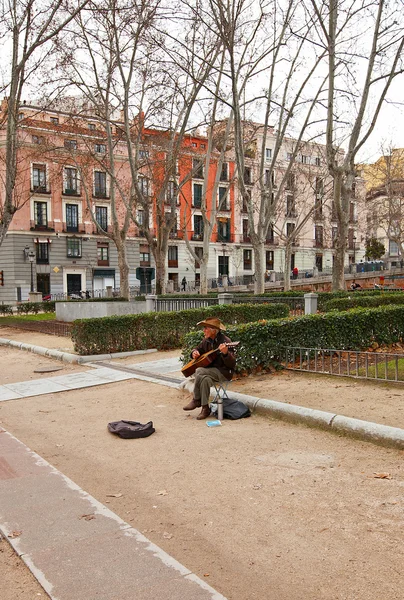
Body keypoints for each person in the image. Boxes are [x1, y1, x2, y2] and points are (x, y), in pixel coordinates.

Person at [183, 317, 237, 420]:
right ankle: (205, 408)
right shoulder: (206, 341)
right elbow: (197, 349)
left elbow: (232, 364)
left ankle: (196, 399)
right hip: (209, 373)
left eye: (206, 328)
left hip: (224, 372)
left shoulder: (226, 341)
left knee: (199, 370)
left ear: (213, 330)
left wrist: (225, 353)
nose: (204, 330)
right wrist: (194, 352)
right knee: (205, 380)